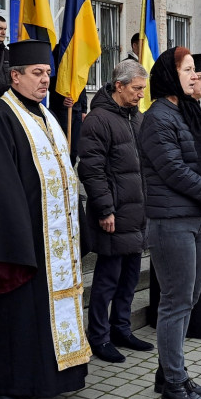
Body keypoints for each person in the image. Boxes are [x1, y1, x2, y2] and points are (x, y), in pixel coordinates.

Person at [0, 40, 89, 399]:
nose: (45, 80)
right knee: (15, 314)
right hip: (21, 240)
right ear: (15, 76)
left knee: (44, 313)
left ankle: (51, 376)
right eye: (37, 74)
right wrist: (17, 240)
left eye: (47, 74)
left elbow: (66, 176)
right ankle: (5, 384)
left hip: (53, 236)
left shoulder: (46, 115)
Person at [139, 47, 201, 399]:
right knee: (176, 302)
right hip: (171, 222)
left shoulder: (189, 111)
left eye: (196, 69)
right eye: (188, 70)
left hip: (199, 217)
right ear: (168, 76)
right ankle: (173, 385)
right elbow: (174, 170)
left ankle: (168, 370)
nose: (197, 75)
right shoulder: (157, 118)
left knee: (189, 299)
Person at [78, 59, 152, 363]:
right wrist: (105, 209)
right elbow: (92, 171)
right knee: (107, 280)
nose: (140, 95)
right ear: (119, 85)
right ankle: (98, 336)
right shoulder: (98, 119)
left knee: (130, 278)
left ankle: (121, 327)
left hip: (137, 213)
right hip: (113, 215)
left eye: (143, 90)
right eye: (136, 89)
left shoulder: (137, 118)